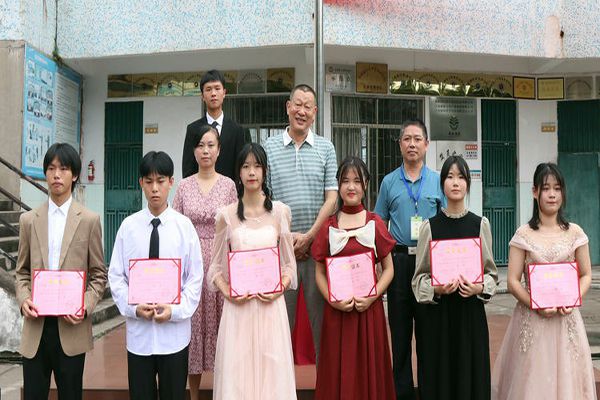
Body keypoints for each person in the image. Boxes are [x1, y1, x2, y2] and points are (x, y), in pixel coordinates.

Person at [491, 162, 596, 400]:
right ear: (535, 191)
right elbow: (513, 281)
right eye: (546, 188)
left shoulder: (576, 233)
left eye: (557, 189)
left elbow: (586, 274)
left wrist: (573, 298)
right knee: (532, 381)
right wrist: (534, 303)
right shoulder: (523, 234)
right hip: (532, 319)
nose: (552, 194)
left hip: (566, 320)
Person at [15, 143, 107, 400]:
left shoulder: (89, 220)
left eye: (64, 169)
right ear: (45, 173)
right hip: (36, 326)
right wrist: (24, 300)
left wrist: (84, 306)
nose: (57, 175)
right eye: (51, 168)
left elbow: (99, 275)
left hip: (71, 327)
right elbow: (21, 272)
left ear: (74, 175)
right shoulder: (28, 220)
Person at [108, 151, 203, 400]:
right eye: (148, 181)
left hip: (174, 336)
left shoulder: (184, 227)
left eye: (160, 181)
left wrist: (176, 310)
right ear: (141, 183)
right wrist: (133, 308)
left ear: (171, 182)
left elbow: (195, 278)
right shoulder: (128, 227)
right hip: (139, 337)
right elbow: (116, 276)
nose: (154, 189)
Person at [208, 143, 297, 400]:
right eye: (246, 166)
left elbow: (289, 265)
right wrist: (228, 292)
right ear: (238, 172)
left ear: (265, 171)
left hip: (271, 308)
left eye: (257, 166)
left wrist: (279, 287)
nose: (251, 172)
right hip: (239, 310)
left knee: (273, 373)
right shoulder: (226, 216)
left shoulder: (280, 212)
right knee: (238, 374)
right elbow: (215, 267)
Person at [412, 156, 498, 400]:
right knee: (442, 376)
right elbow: (419, 279)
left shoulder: (480, 224)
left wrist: (478, 287)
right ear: (442, 184)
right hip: (440, 318)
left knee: (470, 376)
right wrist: (437, 289)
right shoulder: (430, 227)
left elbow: (491, 274)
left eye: (461, 177)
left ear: (468, 183)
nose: (456, 182)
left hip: (470, 316)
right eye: (450, 177)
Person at [311, 156, 396, 400]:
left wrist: (372, 296)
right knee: (338, 368)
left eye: (357, 181)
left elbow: (389, 269)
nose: (351, 187)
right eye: (345, 181)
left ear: (366, 185)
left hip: (369, 311)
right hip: (337, 312)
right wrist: (332, 300)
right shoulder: (329, 225)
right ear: (338, 185)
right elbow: (319, 273)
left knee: (370, 368)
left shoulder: (374, 222)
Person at [264, 83, 337, 360]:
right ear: (288, 107)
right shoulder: (269, 147)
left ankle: (325, 382)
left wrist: (308, 237)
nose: (301, 111)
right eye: (297, 104)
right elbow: (265, 199)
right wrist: (287, 238)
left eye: (308, 106)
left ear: (315, 112)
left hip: (316, 251)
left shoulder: (326, 148)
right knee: (280, 327)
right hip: (282, 252)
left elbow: (332, 199)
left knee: (322, 327)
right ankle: (279, 383)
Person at [374, 118, 444, 399]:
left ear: (426, 144)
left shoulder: (438, 181)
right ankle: (402, 393)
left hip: (430, 264)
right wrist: (380, 263)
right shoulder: (389, 182)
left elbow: (446, 221)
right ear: (400, 144)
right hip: (399, 263)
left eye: (417, 139)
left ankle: (429, 392)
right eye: (407, 139)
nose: (412, 144)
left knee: (429, 335)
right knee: (400, 336)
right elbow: (379, 224)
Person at [172, 125, 237, 400]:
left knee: (224, 328)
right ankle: (194, 394)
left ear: (219, 150)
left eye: (211, 145)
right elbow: (174, 226)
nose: (205, 150)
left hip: (221, 263)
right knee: (194, 326)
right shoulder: (184, 186)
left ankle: (225, 392)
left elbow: (235, 227)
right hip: (191, 263)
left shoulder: (229, 185)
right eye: (200, 145)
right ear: (194, 151)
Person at [182, 69, 250, 180]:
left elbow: (241, 167)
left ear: (224, 93)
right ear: (202, 96)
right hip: (200, 189)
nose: (213, 93)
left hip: (229, 189)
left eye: (217, 88)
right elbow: (188, 170)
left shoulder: (237, 130)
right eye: (208, 89)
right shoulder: (193, 129)